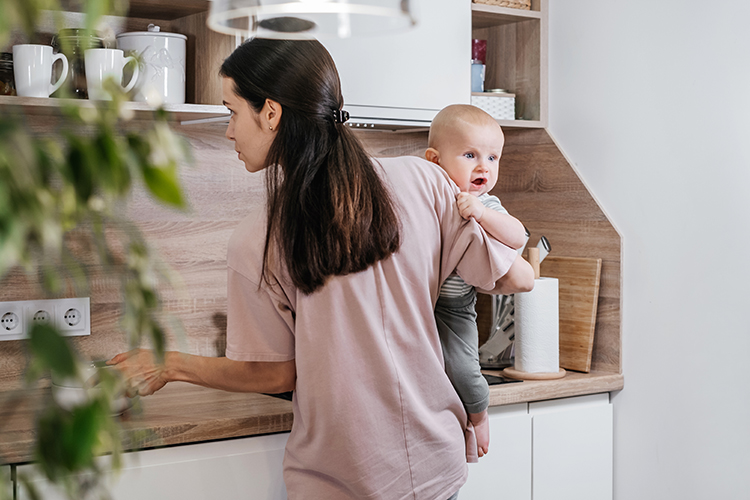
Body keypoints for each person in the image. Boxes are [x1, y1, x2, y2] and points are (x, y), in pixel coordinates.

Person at [109, 38, 534, 500]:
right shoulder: (425, 179)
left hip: (347, 478)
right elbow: (511, 278)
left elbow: (274, 375)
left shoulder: (259, 240)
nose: (229, 131)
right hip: (436, 465)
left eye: (232, 111)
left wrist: (169, 365)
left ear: (270, 113)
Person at [424, 105, 528, 460]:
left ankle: (480, 415)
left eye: (492, 157)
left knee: (464, 370)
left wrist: (481, 213)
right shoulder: (429, 196)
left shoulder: (487, 202)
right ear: (434, 160)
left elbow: (517, 236)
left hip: (455, 309)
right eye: (470, 155)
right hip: (418, 305)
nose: (483, 166)